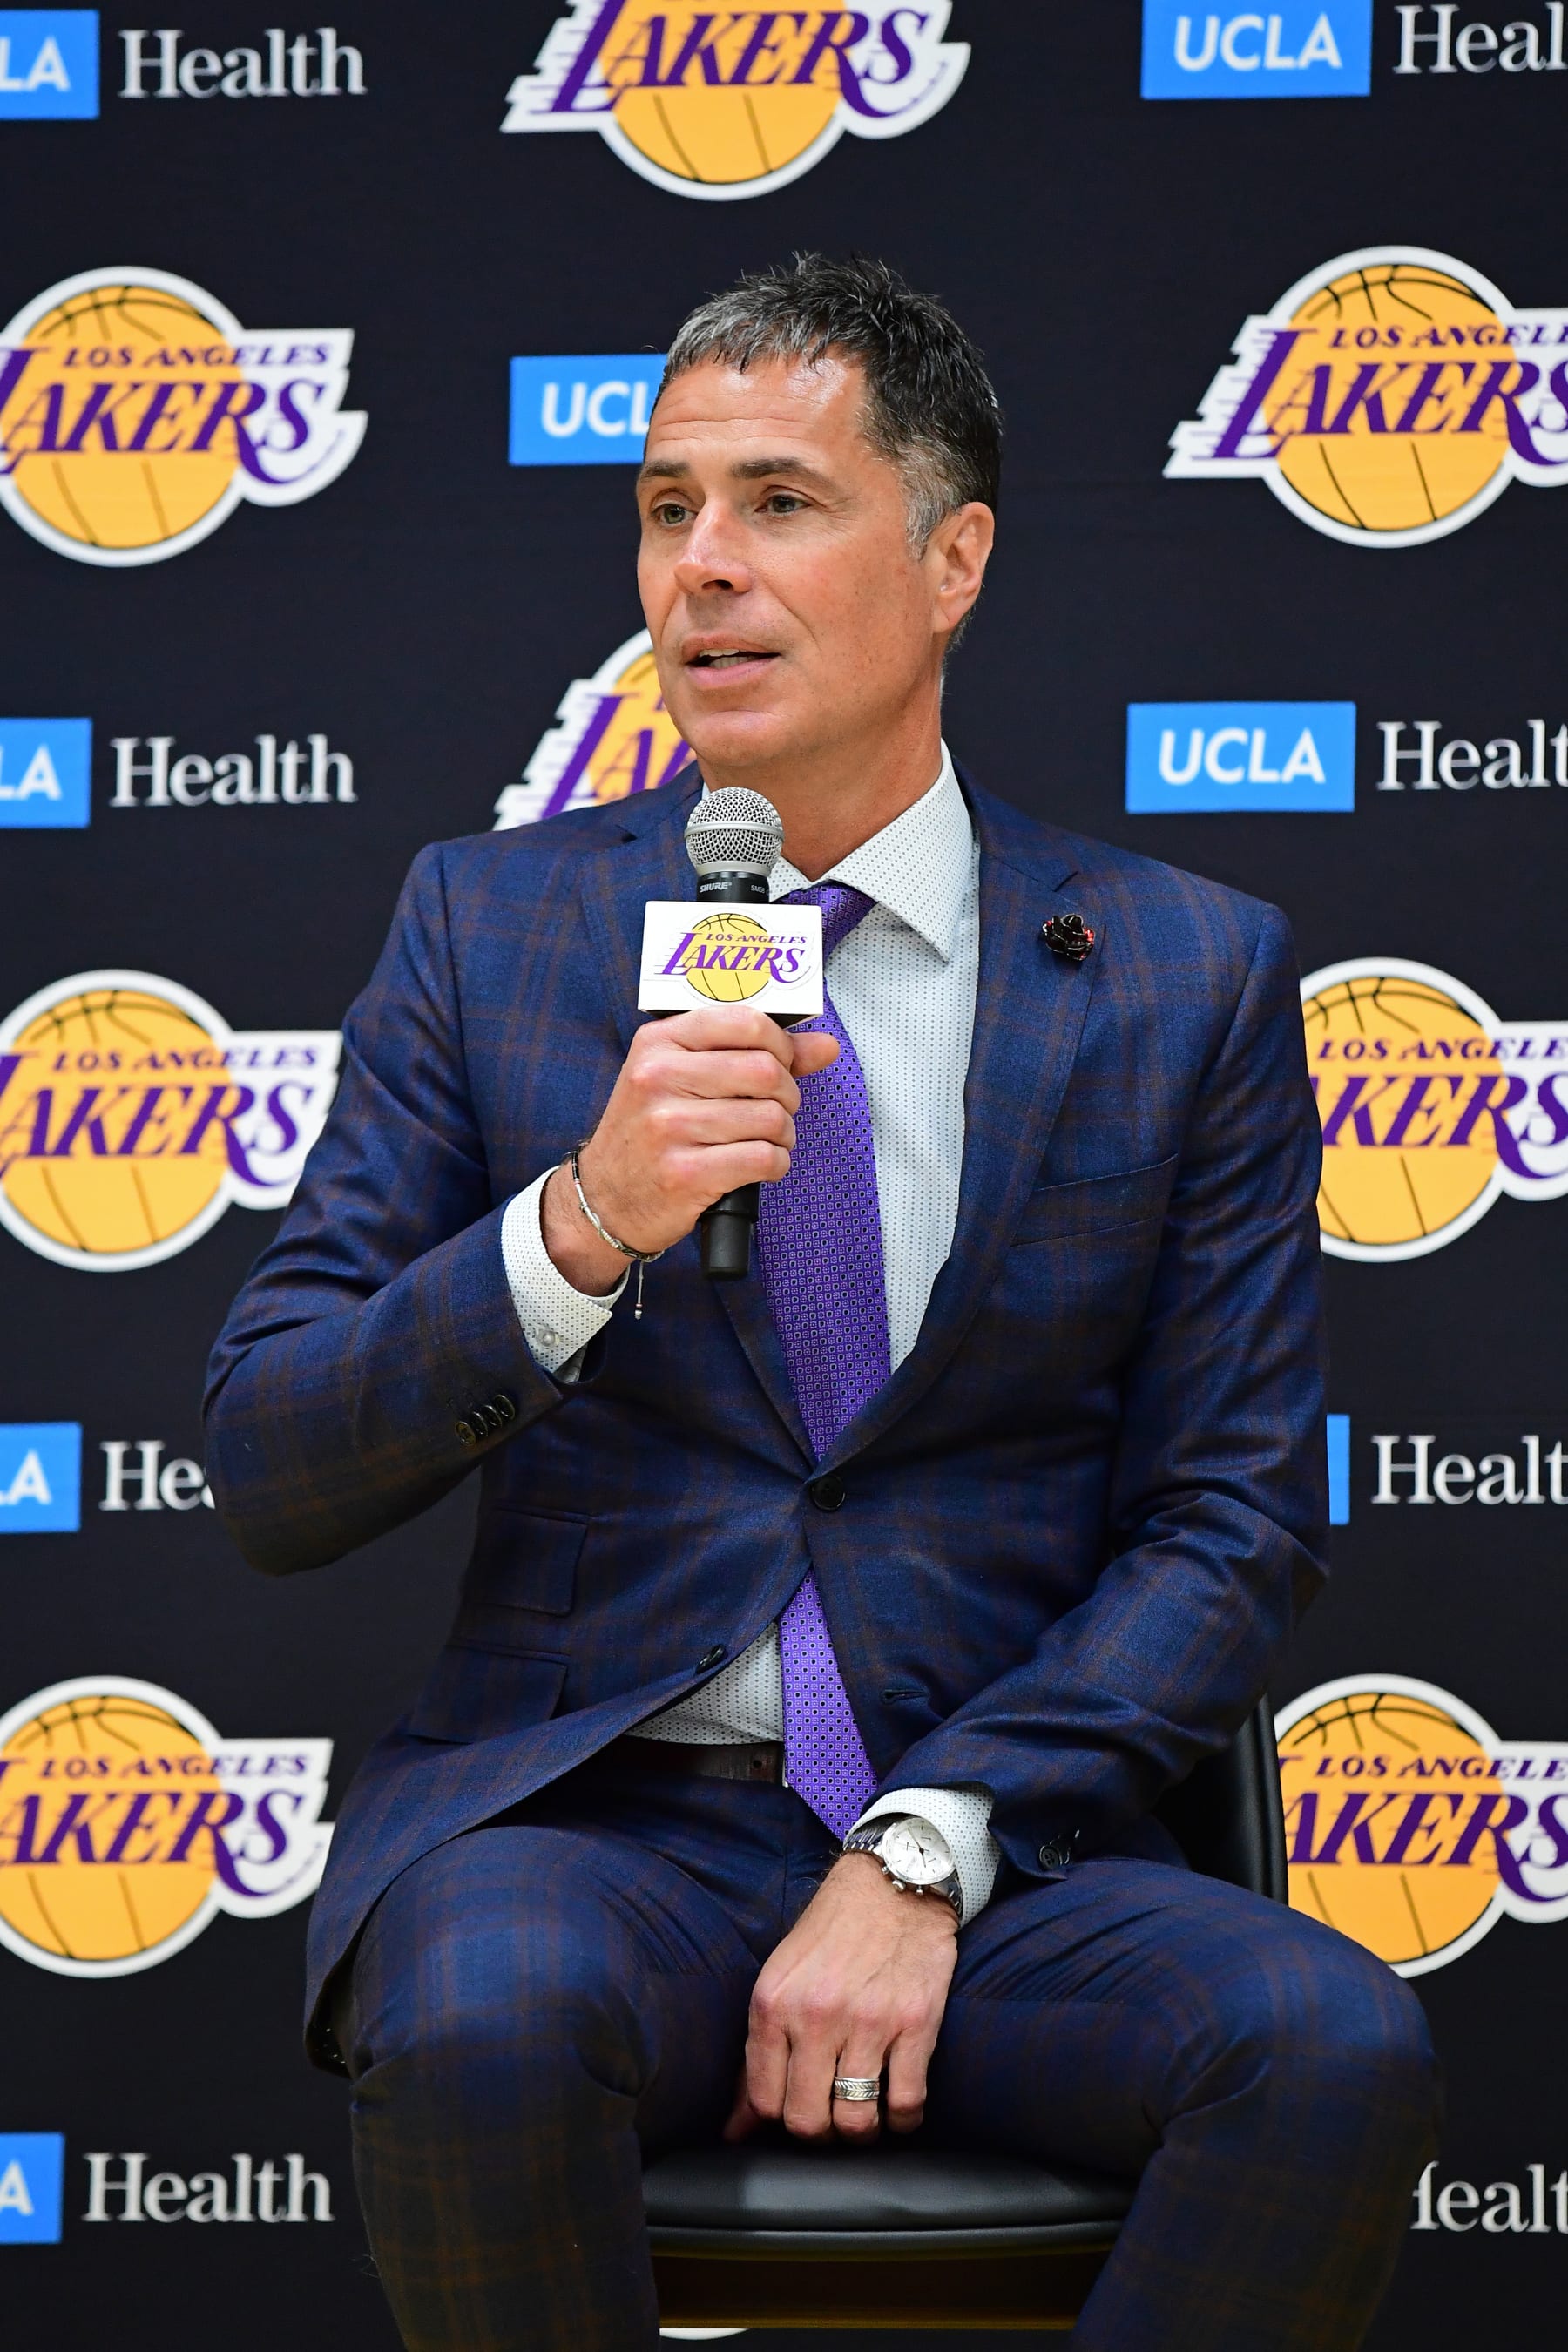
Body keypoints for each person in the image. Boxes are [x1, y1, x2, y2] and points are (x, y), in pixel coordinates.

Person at [205, 254, 1437, 2352]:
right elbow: (270, 1452)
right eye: (667, 509)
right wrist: (582, 1223)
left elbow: (1230, 1519)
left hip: (1008, 1844)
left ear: (950, 559)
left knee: (1327, 2050)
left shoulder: (1183, 970)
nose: (701, 569)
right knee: (477, 2013)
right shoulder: (488, 927)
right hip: (597, 1836)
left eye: (780, 501)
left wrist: (930, 1845)